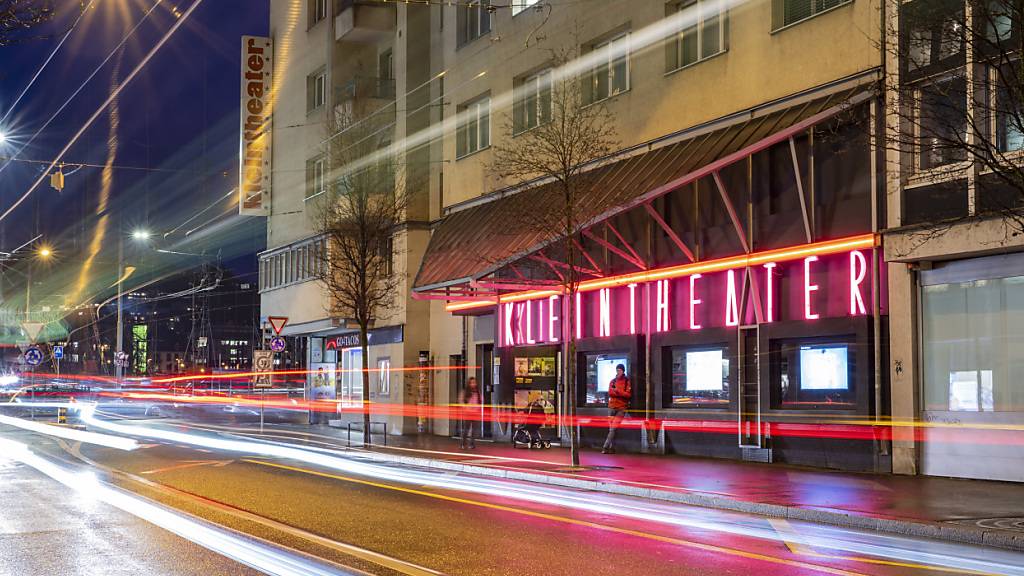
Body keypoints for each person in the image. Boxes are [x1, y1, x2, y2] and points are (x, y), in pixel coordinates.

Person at [602, 364, 631, 454]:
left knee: (613, 429)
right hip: (611, 407)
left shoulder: (627, 381)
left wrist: (618, 391)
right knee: (612, 429)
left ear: (623, 371)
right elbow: (610, 393)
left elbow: (628, 395)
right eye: (617, 370)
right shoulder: (612, 381)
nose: (618, 372)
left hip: (621, 408)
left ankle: (605, 447)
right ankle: (612, 448)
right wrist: (620, 393)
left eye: (620, 370)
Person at [460, 376, 481, 449]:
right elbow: (462, 401)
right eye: (471, 383)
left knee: (474, 430)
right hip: (468, 413)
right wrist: (467, 408)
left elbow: (480, 401)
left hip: (475, 413)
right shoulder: (465, 392)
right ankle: (463, 443)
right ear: (469, 384)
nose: (473, 384)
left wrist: (478, 408)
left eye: (474, 382)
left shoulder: (477, 392)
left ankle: (472, 444)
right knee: (466, 429)